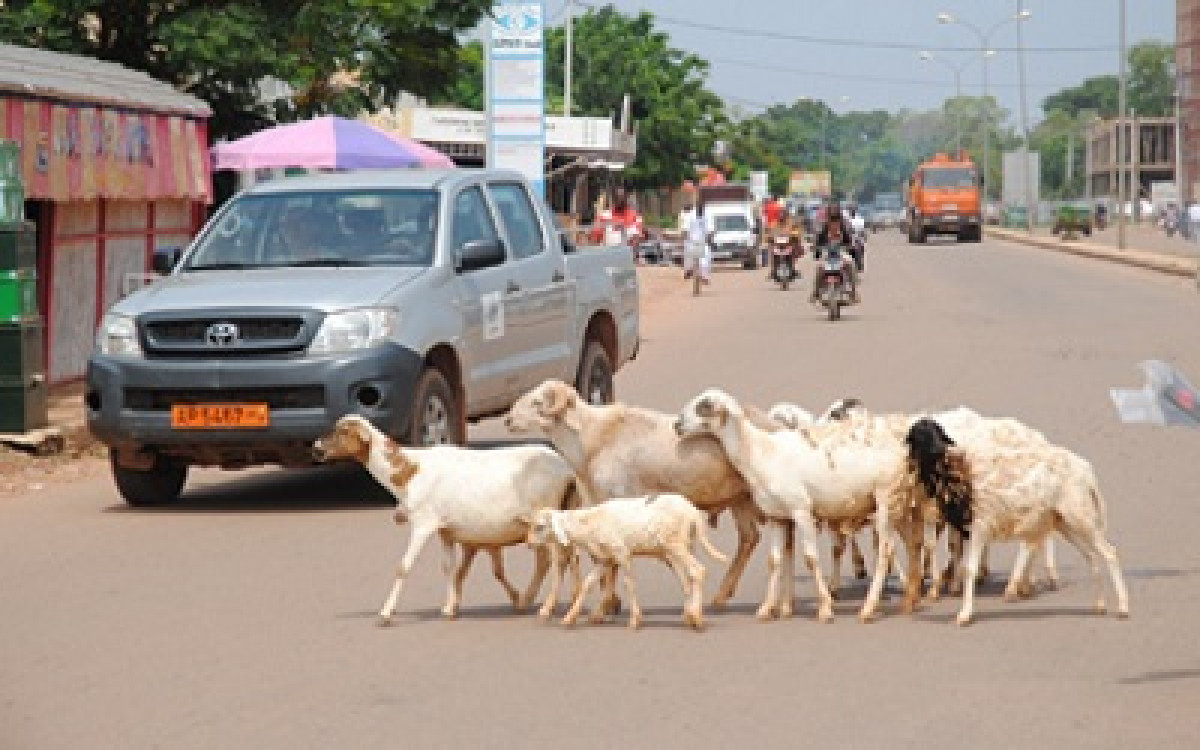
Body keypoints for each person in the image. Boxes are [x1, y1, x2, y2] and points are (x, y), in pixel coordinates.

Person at [809, 207, 859, 303]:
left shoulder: (843, 229)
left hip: (841, 253)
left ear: (839, 219)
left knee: (850, 265)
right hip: (827, 253)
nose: (834, 223)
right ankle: (816, 292)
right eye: (832, 219)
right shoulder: (824, 229)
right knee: (819, 268)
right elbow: (817, 242)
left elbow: (849, 241)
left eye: (836, 219)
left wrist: (851, 246)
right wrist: (814, 247)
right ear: (828, 219)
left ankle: (853, 292)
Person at [592, 187, 645, 254]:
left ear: (626, 199)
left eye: (622, 198)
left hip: (629, 253)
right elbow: (595, 239)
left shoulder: (635, 216)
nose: (620, 201)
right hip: (608, 253)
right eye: (617, 197)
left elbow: (640, 237)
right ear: (613, 199)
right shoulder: (604, 216)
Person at [684, 202, 712, 285]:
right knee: (688, 258)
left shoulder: (707, 216)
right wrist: (684, 237)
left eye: (701, 208)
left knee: (706, 259)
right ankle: (688, 271)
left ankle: (704, 276)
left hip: (702, 242)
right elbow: (685, 229)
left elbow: (710, 230)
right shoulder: (690, 216)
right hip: (691, 242)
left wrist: (710, 238)